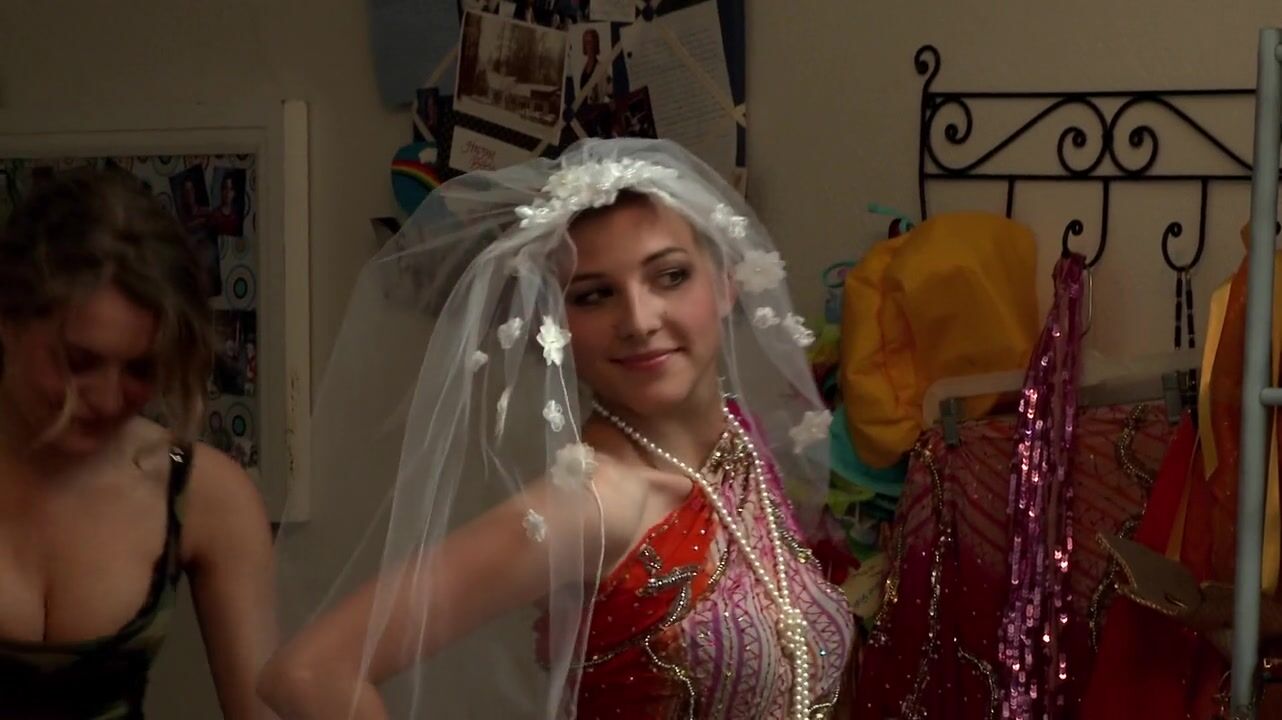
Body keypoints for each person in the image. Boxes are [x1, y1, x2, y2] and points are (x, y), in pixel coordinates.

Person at [258, 138, 854, 718]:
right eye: (594, 296)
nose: (639, 320)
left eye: (670, 276)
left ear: (725, 283)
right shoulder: (594, 503)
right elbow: (311, 673)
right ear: (557, 323)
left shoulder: (738, 442)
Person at [0, 168, 277, 718]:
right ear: (8, 319)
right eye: (79, 361)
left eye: (140, 369)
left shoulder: (199, 487)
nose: (107, 400)